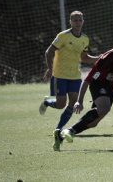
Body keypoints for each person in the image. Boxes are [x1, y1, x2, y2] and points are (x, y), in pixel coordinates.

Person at [39, 11, 100, 151]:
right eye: (75, 20)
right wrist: (49, 69)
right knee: (61, 105)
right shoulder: (63, 36)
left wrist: (98, 58)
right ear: (70, 22)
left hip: (75, 76)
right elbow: (49, 51)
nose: (78, 22)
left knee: (72, 103)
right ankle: (47, 102)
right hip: (59, 75)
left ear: (83, 22)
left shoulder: (85, 38)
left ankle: (58, 130)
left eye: (80, 20)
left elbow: (84, 58)